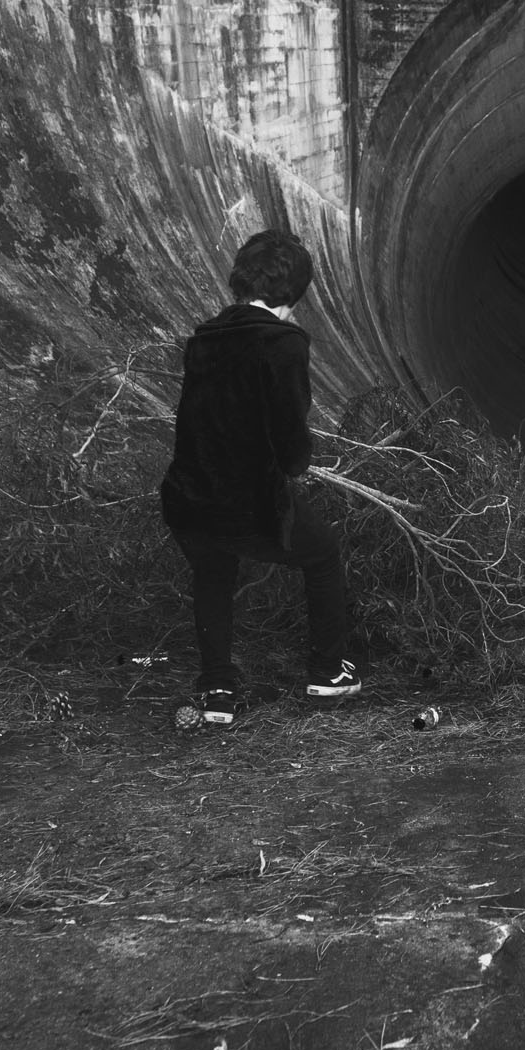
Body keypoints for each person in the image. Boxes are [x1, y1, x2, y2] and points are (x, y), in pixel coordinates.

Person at [160, 230, 358, 726]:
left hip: (187, 499)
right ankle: (328, 672)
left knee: (213, 571)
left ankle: (218, 689)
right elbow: (291, 449)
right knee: (323, 553)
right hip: (245, 503)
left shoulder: (204, 338)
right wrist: (297, 463)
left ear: (240, 279)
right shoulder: (284, 344)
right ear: (296, 291)